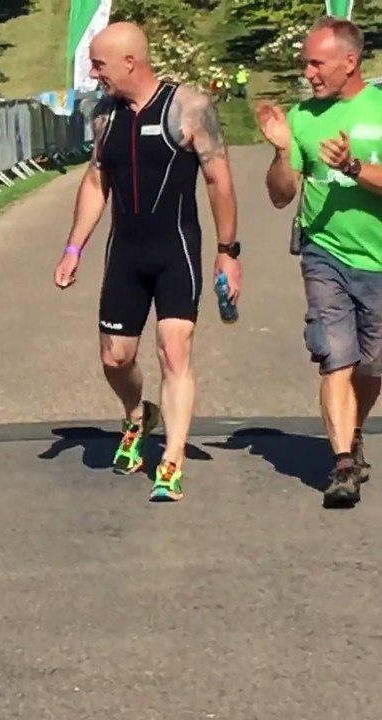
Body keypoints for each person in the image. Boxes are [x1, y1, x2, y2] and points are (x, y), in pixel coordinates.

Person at [53, 21, 239, 502]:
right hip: (127, 255)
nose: (94, 75)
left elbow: (219, 180)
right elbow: (97, 182)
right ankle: (138, 414)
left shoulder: (189, 107)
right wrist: (74, 247)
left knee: (173, 349)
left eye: (99, 64)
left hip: (176, 249)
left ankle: (171, 462)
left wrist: (228, 251)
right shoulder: (104, 115)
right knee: (116, 358)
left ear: (130, 62)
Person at [257, 17, 382, 507]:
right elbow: (280, 196)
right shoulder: (303, 117)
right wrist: (284, 151)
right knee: (336, 357)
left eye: (316, 62)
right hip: (323, 252)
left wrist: (353, 167)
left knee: (371, 368)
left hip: (378, 260)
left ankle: (353, 433)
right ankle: (344, 465)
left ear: (349, 62)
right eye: (305, 62)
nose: (307, 72)